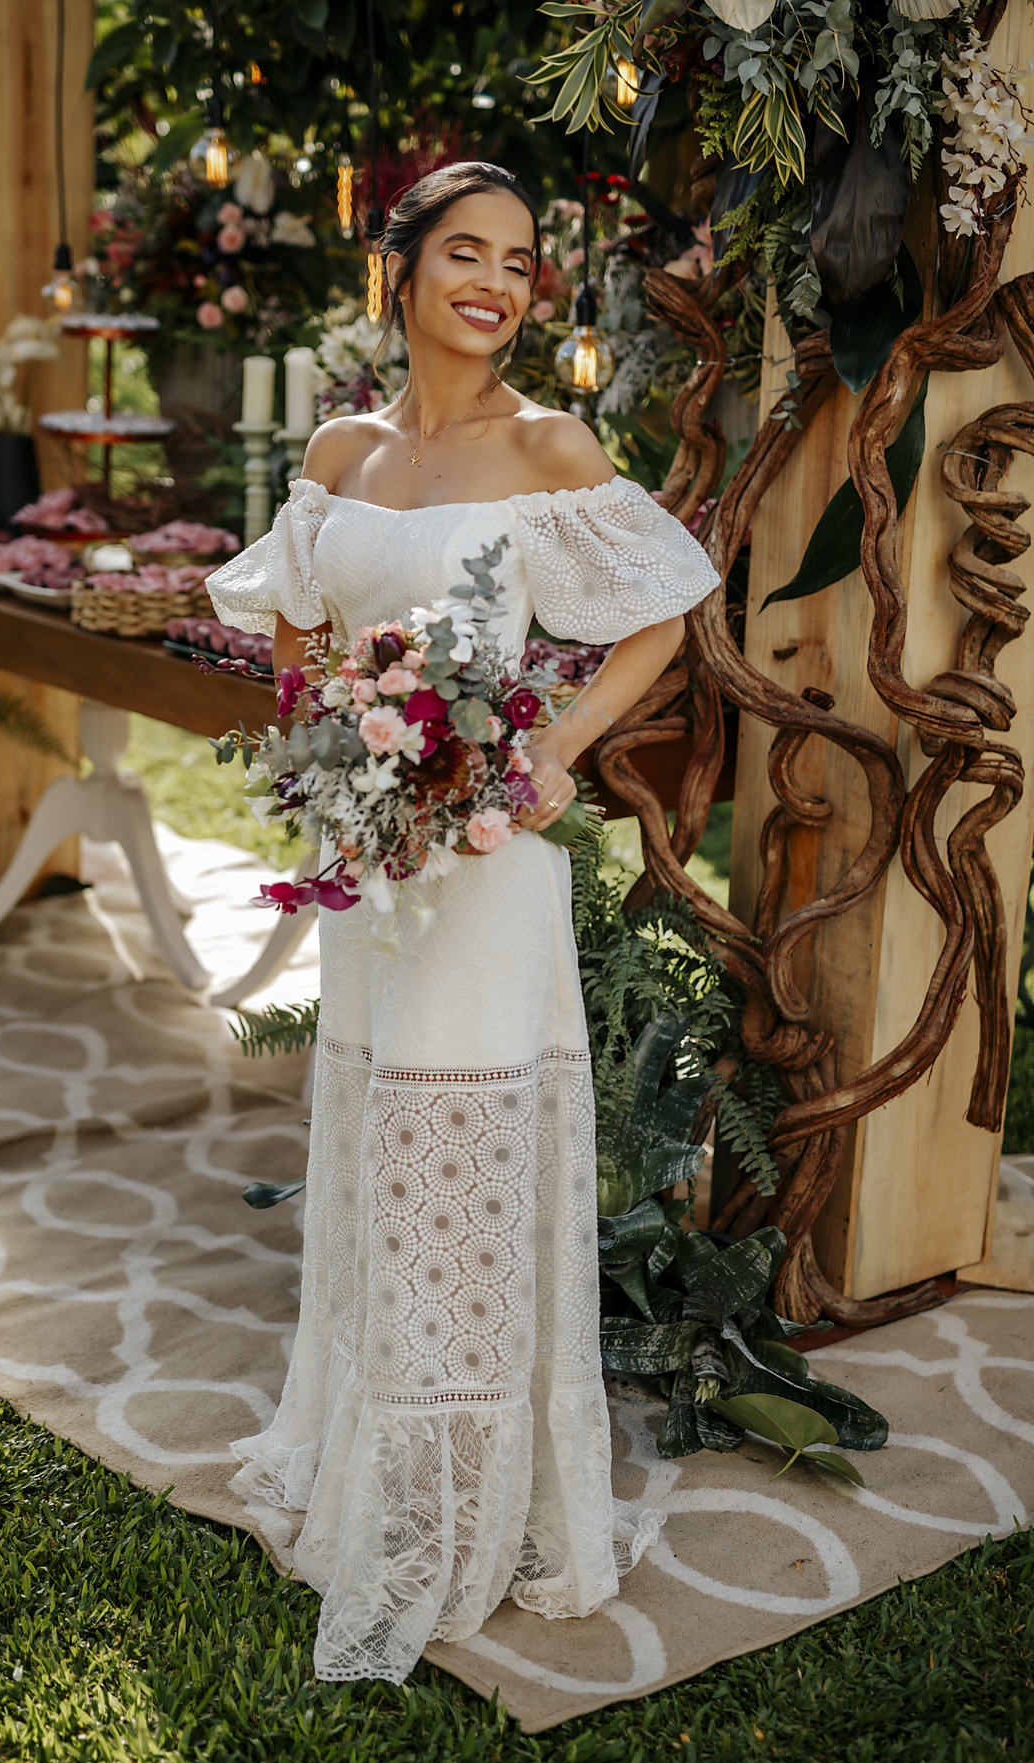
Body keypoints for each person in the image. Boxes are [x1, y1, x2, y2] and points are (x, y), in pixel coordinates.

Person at [205, 161, 720, 1684]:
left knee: (467, 1160)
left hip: (487, 867)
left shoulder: (545, 443)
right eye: (464, 254)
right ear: (403, 270)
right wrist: (333, 733)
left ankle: (469, 1509)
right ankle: (375, 1456)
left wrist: (550, 748)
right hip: (375, 868)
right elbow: (296, 610)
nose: (494, 283)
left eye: (518, 263)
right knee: (381, 1149)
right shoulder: (344, 446)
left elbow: (665, 613)